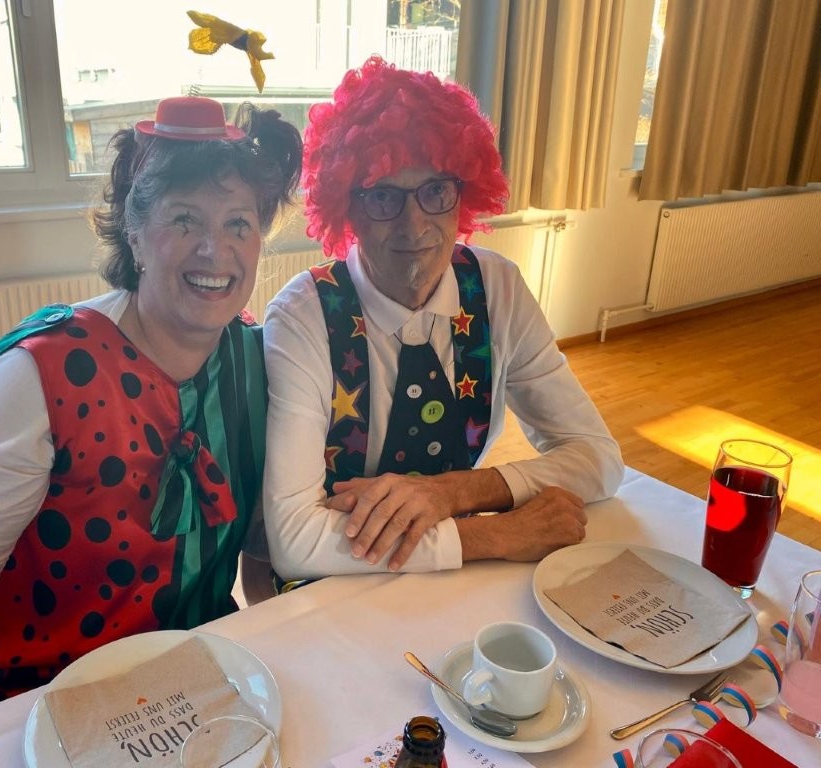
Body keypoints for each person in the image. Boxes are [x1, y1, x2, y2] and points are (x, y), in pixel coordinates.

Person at [0, 96, 302, 767]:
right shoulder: (44, 371)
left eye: (238, 224)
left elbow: (263, 539)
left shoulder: (258, 364)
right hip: (21, 705)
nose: (213, 249)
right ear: (134, 230)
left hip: (189, 692)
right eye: (184, 218)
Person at [262, 57, 623, 582]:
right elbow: (295, 542)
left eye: (435, 191)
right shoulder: (304, 316)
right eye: (383, 196)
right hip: (337, 588)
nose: (414, 226)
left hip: (453, 580)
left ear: (463, 194)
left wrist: (453, 492)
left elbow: (598, 458)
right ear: (348, 208)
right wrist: (498, 535)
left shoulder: (497, 288)